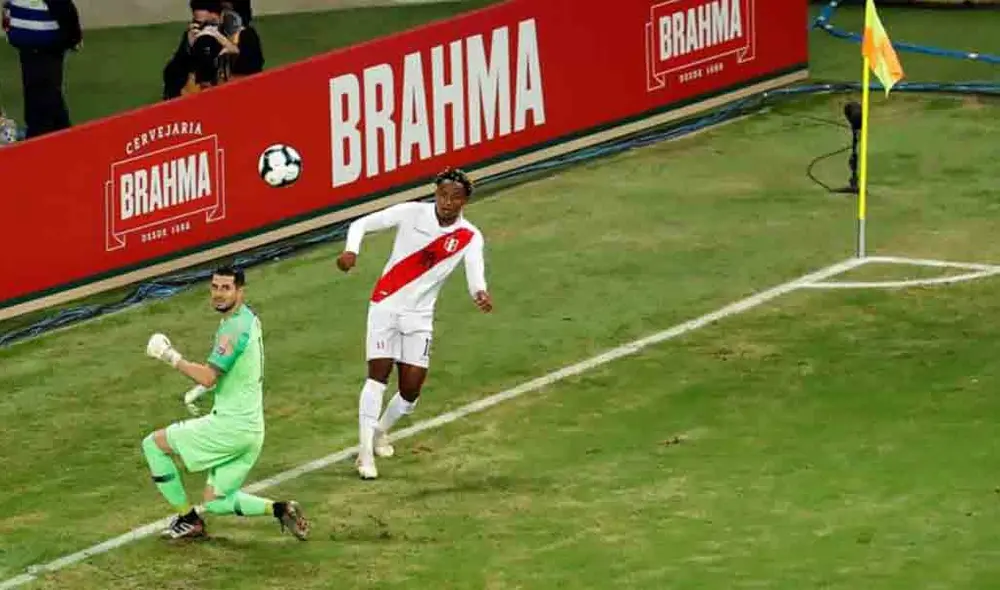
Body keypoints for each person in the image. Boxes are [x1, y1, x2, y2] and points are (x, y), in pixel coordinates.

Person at [336, 168, 493, 480]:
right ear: (435, 193)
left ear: (465, 202)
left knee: (410, 391)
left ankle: (381, 431)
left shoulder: (470, 237)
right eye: (442, 195)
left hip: (420, 317)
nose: (446, 202)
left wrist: (480, 293)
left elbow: (475, 275)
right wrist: (351, 251)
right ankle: (365, 454)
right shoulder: (411, 213)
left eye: (454, 198)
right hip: (385, 304)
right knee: (377, 377)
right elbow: (361, 223)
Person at [141, 266, 309, 540]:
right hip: (252, 430)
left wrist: (168, 355)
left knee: (153, 445)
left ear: (240, 291)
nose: (218, 294)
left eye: (226, 288)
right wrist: (203, 390)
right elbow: (237, 369)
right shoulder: (248, 318)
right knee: (217, 501)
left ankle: (188, 519)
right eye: (215, 287)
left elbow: (208, 376)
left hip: (230, 427)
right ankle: (281, 509)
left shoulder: (232, 329)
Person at [1, 0, 81, 138]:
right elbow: (63, 8)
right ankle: (60, 139)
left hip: (37, 43)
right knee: (45, 97)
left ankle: (53, 139)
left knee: (41, 97)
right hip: (39, 43)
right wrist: (74, 38)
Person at [162, 0, 263, 99]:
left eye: (212, 24)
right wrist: (187, 50)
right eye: (201, 24)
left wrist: (229, 48)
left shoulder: (244, 36)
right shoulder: (195, 36)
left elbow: (253, 79)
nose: (208, 29)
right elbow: (171, 81)